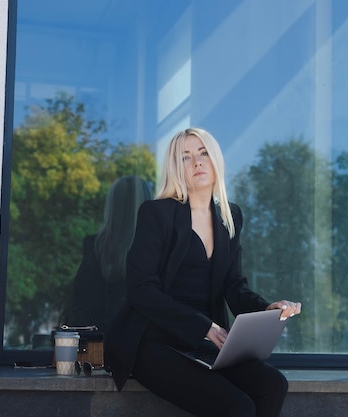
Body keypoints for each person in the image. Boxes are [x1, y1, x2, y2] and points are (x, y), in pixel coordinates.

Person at [104, 127, 302, 417]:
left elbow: (234, 285)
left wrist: (267, 308)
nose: (197, 162)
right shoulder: (156, 213)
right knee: (236, 407)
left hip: (203, 341)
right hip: (152, 342)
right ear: (176, 168)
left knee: (273, 385)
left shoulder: (229, 216)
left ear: (215, 159)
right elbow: (141, 289)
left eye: (203, 153)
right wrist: (203, 326)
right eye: (186, 157)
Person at [72, 175, 152, 332]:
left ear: (111, 207)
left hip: (95, 350)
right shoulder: (155, 254)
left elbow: (79, 308)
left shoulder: (93, 250)